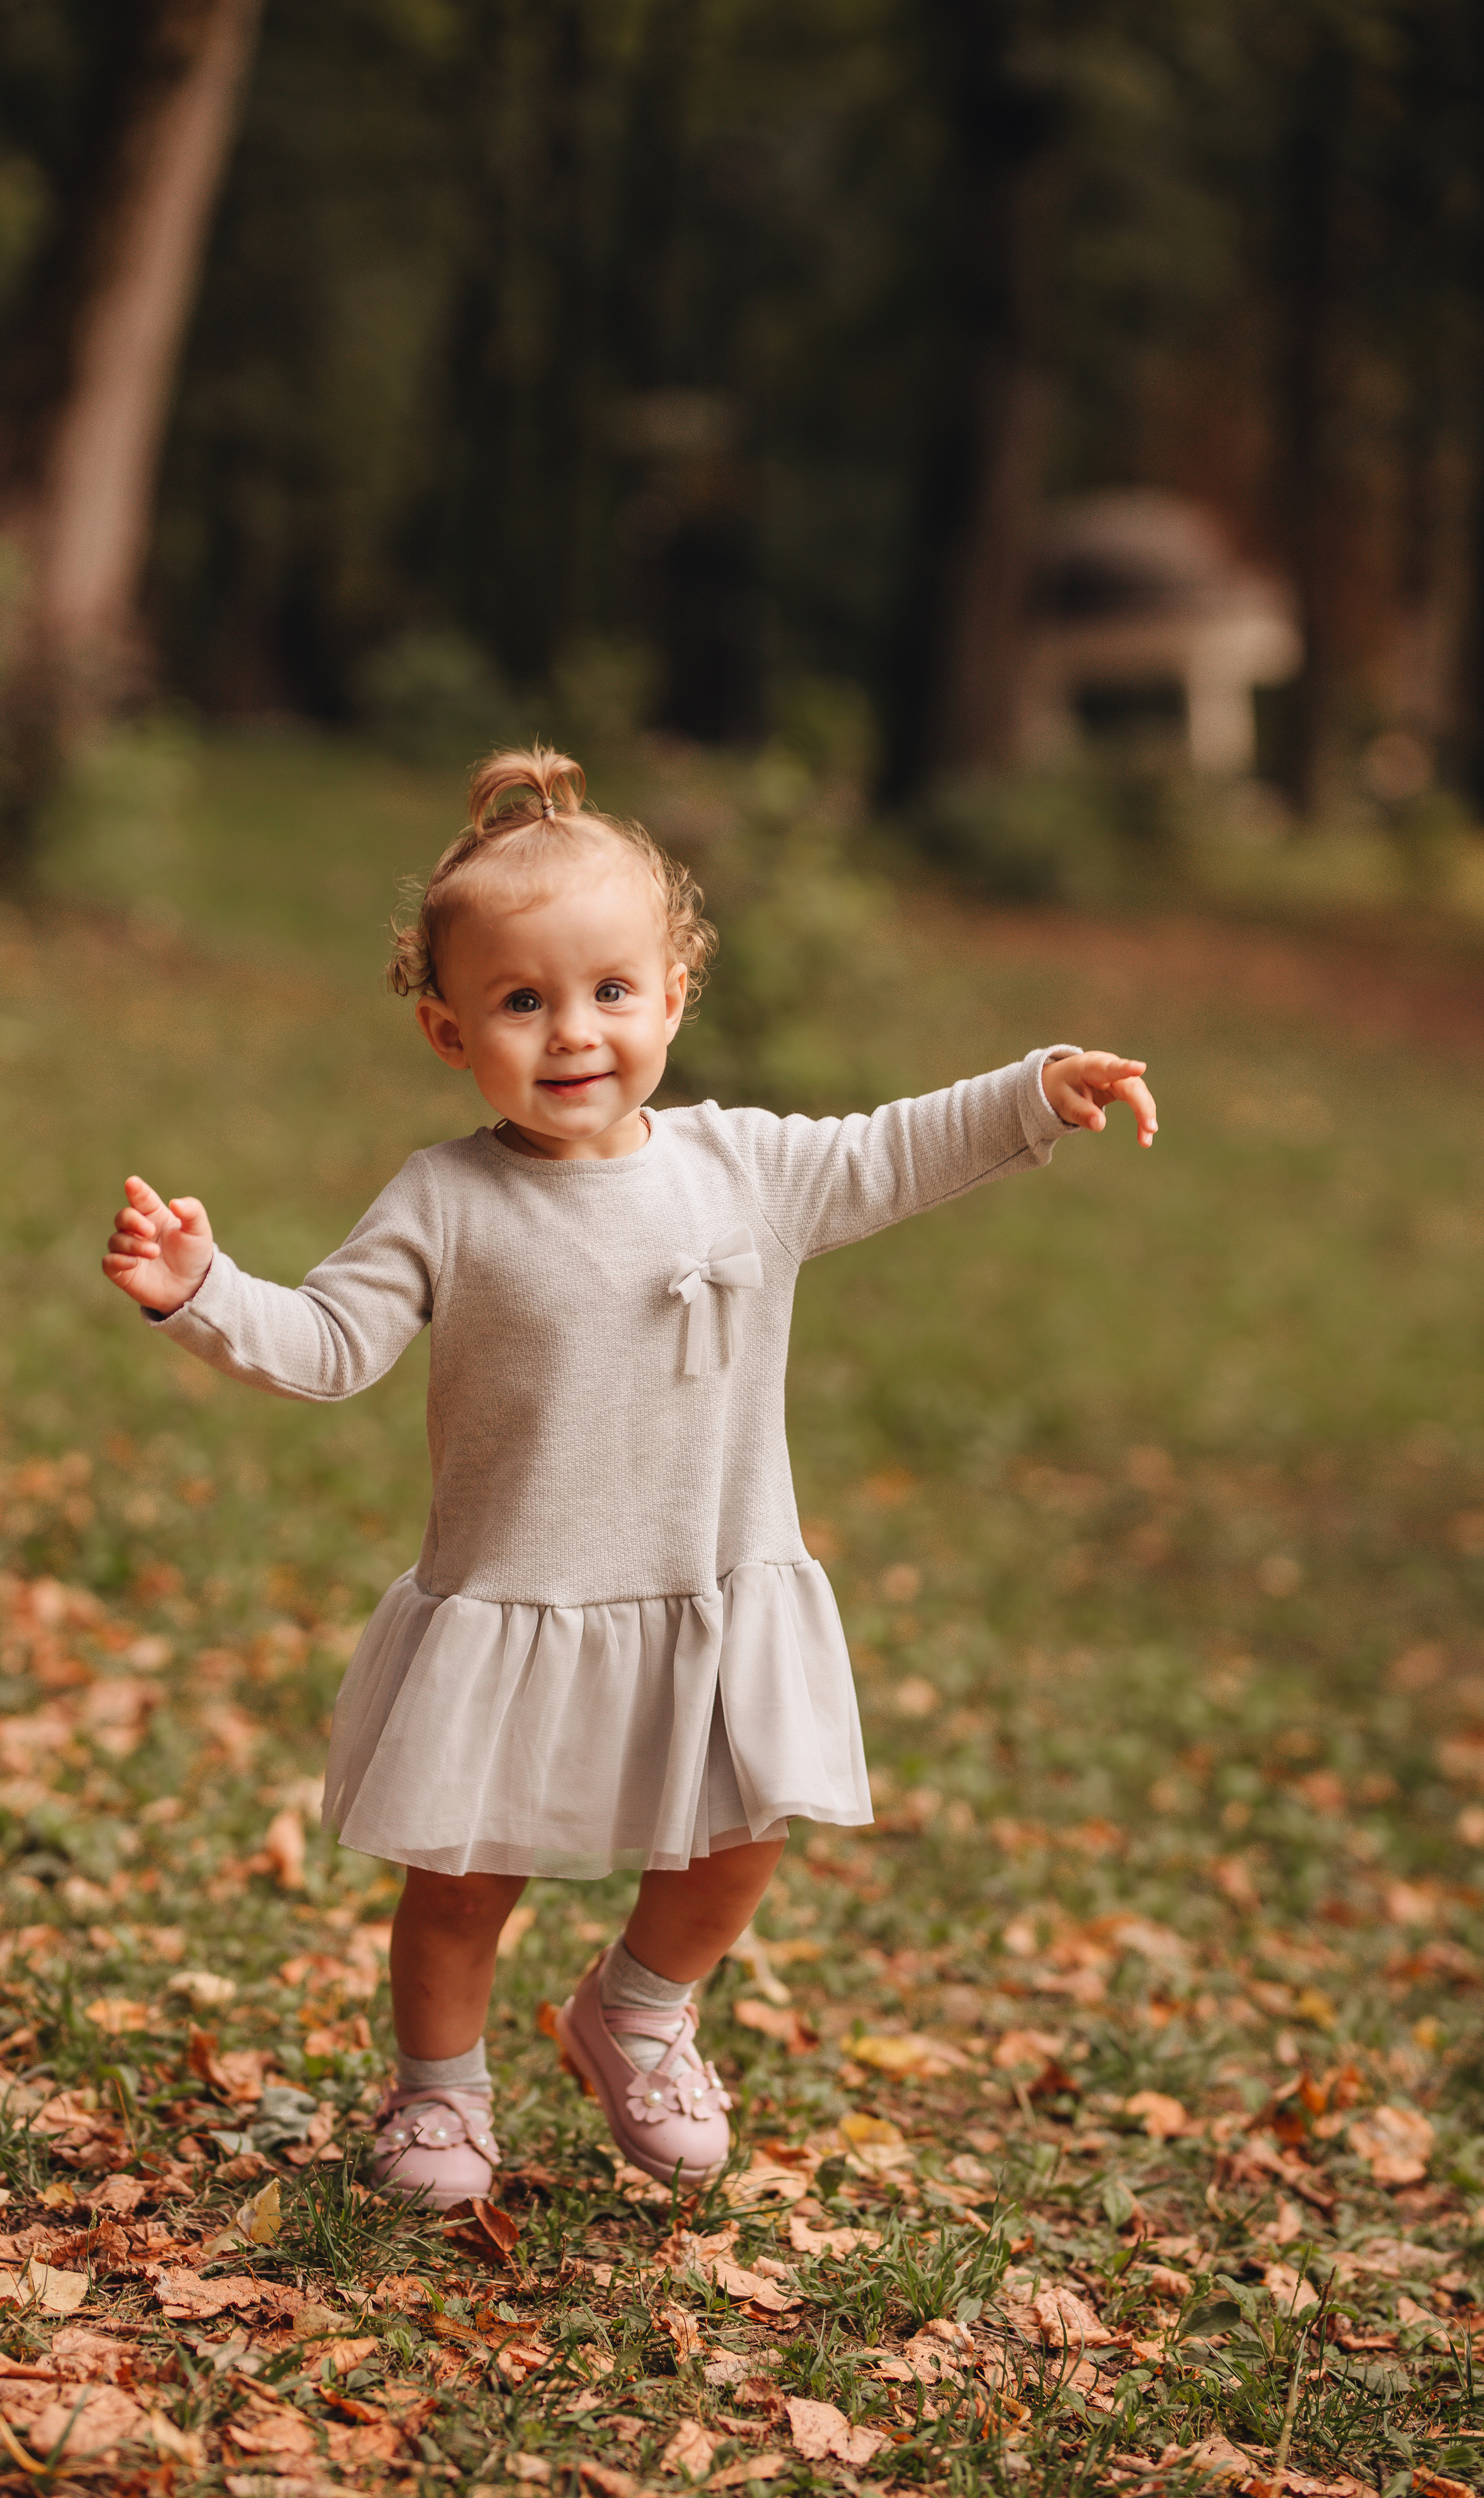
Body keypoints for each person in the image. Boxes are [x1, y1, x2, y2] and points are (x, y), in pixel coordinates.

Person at [101, 745, 1157, 2207]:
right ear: (444, 1026)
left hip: (707, 1583)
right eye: (520, 1001)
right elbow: (330, 1345)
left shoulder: (746, 1170)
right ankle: (438, 2098)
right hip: (519, 1596)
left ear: (673, 996)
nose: (572, 1030)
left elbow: (895, 1148)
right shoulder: (444, 1200)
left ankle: (638, 2010)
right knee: (462, 1885)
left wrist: (1034, 1090)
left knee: (737, 1845)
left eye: (609, 991)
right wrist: (199, 1287)